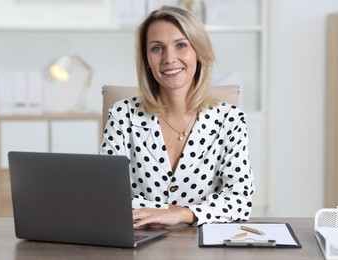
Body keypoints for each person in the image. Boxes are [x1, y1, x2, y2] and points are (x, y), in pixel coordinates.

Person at [100, 5, 255, 229]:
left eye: (181, 45)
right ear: (146, 59)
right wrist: (169, 212)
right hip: (138, 243)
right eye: (157, 49)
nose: (169, 58)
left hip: (203, 246)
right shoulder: (123, 115)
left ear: (199, 52)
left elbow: (241, 200)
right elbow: (106, 195)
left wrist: (182, 214)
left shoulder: (230, 120)